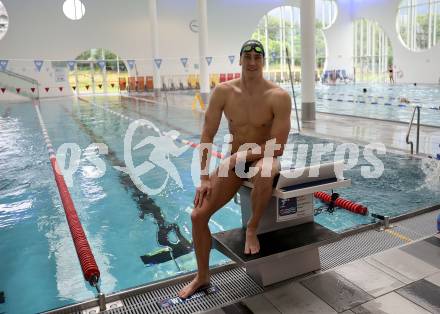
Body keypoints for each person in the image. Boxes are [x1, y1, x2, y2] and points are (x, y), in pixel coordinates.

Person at [178, 39, 291, 299]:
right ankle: (203, 277)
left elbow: (277, 147)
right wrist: (205, 177)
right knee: (197, 216)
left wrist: (239, 155)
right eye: (247, 56)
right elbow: (207, 133)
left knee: (264, 171)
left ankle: (252, 228)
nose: (252, 62)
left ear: (263, 62)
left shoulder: (278, 96)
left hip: (265, 155)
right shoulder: (224, 92)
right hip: (235, 162)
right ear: (239, 60)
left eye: (257, 57)